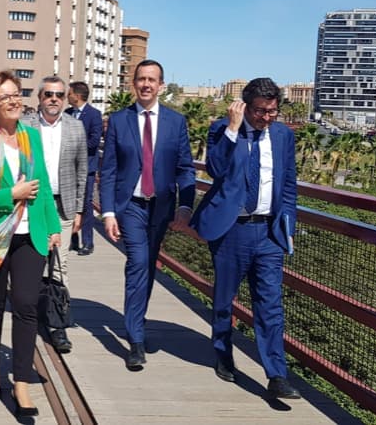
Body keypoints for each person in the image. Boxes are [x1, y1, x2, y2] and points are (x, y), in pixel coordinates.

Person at [189, 77, 301, 399]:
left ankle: (276, 374)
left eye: (273, 112)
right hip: (231, 230)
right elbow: (216, 169)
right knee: (225, 300)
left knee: (269, 304)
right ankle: (223, 352)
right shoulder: (222, 129)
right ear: (244, 106)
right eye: (260, 112)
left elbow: (289, 183)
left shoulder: (281, 136)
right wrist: (234, 129)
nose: (267, 118)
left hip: (268, 232)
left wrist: (287, 225)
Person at [0, 70, 61, 418]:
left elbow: (43, 186)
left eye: (17, 93)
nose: (15, 100)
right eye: (5, 97)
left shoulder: (31, 137)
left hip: (30, 235)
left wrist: (52, 226)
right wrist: (11, 194)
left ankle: (21, 382)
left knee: (26, 305)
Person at [99, 59, 196, 370]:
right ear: (134, 84)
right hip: (132, 206)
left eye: (152, 80)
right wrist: (109, 212)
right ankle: (136, 340)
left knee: (148, 266)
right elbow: (110, 170)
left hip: (162, 207)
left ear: (161, 85)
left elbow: (185, 168)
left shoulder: (176, 122)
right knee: (138, 262)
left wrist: (185, 205)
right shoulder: (118, 120)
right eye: (141, 79)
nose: (146, 84)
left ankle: (136, 319)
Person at [21, 76, 87, 353]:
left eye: (59, 95)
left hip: (63, 205)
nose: (54, 99)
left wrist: (81, 208)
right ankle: (30, 314)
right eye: (48, 94)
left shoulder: (76, 127)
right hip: (31, 203)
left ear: (65, 98)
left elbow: (82, 170)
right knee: (33, 260)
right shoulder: (25, 126)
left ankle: (58, 323)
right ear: (40, 97)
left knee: (60, 264)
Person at [65, 81, 102, 256]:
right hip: (67, 168)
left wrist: (74, 147)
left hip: (86, 168)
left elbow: (94, 141)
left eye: (69, 93)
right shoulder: (66, 113)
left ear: (77, 96)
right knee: (68, 204)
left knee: (86, 205)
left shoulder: (94, 115)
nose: (66, 96)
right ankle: (72, 239)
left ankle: (88, 242)